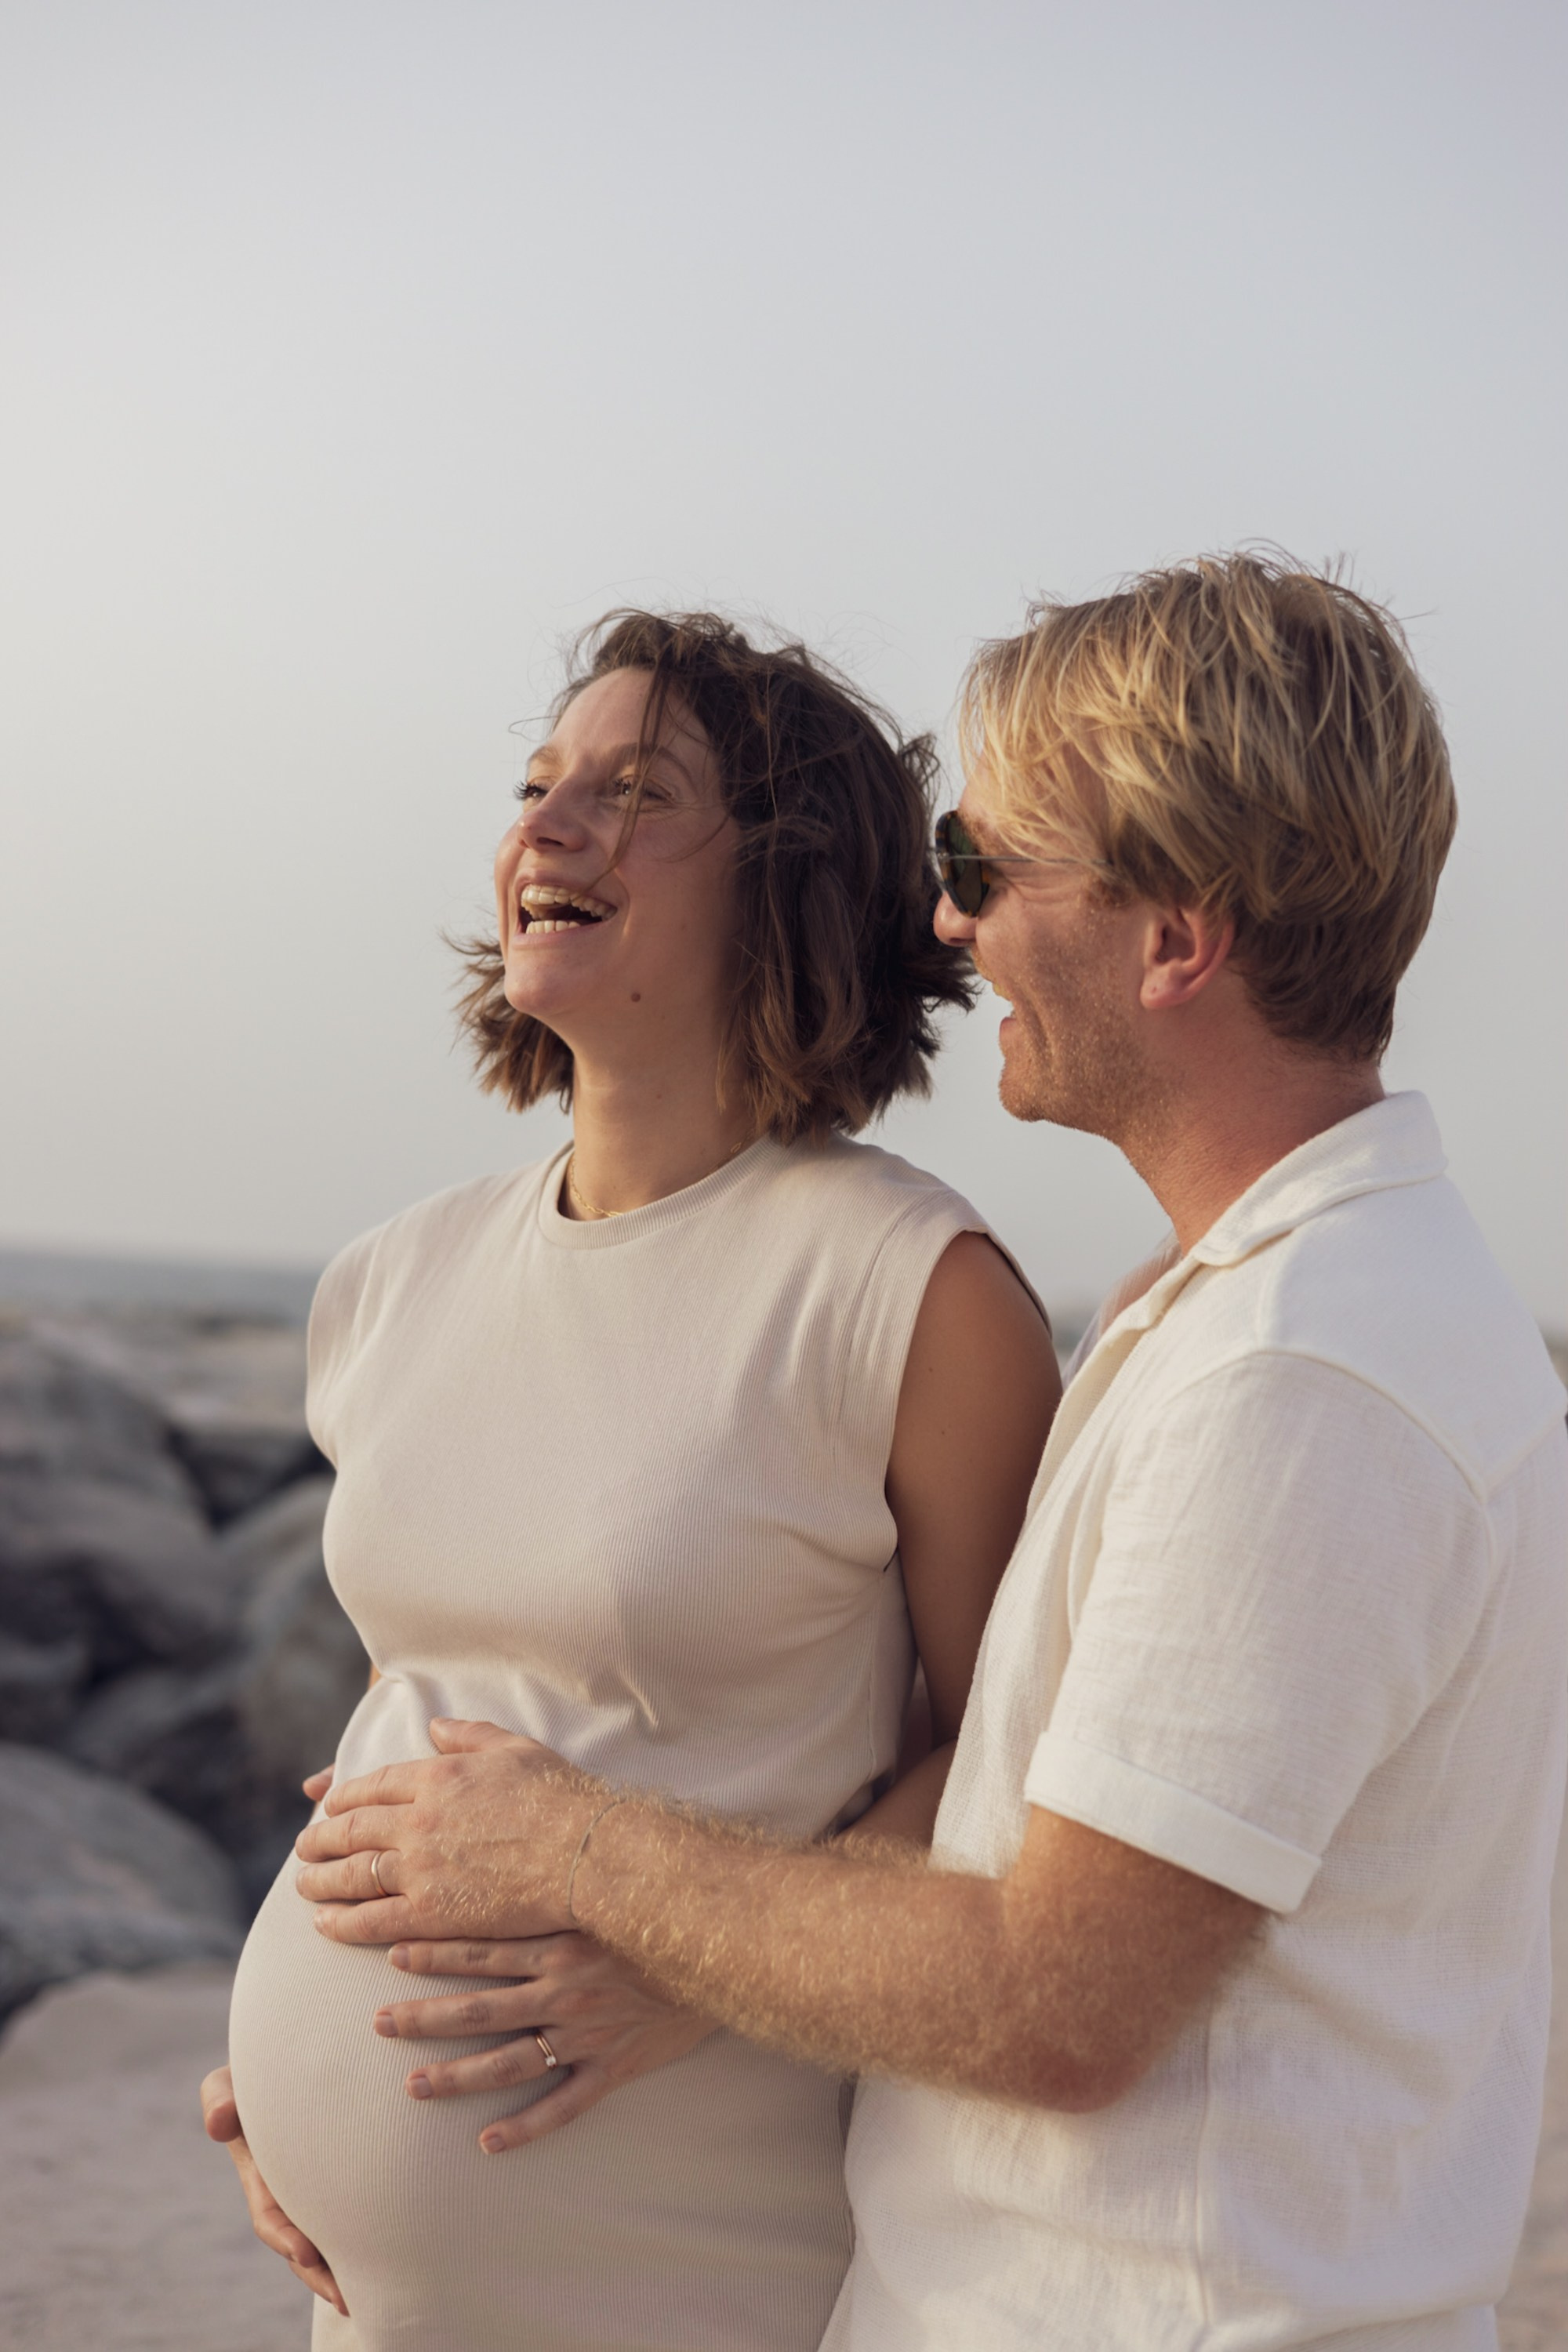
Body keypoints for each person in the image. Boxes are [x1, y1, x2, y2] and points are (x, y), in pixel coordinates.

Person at [298, 553, 1568, 2352]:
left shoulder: (1302, 1380)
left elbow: (1054, 1995)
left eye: (985, 871)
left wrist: (571, 1854)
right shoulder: (1248, 1310)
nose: (953, 929)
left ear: (1175, 937)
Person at [203, 609, 1060, 2350]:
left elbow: (1008, 1767)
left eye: (633, 792)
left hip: (697, 2255)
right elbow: (422, 1713)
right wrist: (274, 2072)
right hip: (363, 2295)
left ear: (787, 881)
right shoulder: (390, 1281)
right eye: (538, 785)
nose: (550, 827)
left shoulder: (912, 1293)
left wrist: (693, 1959)